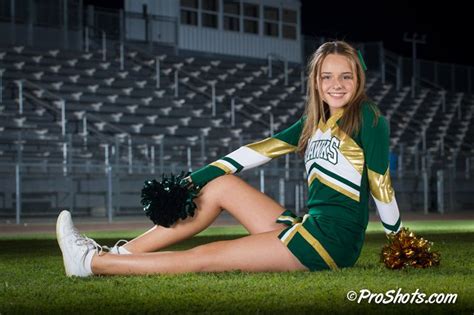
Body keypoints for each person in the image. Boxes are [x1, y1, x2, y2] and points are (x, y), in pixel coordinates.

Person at [56, 41, 402, 277]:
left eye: (346, 76)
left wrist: (401, 243)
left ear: (359, 79)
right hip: (309, 227)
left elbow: (380, 184)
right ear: (316, 80)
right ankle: (118, 254)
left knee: (206, 257)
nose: (336, 85)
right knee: (220, 186)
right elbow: (256, 151)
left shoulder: (369, 118)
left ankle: (91, 263)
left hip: (329, 244)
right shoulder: (314, 123)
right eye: (327, 76)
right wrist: (193, 179)